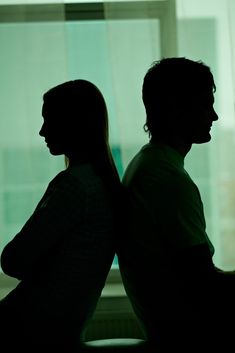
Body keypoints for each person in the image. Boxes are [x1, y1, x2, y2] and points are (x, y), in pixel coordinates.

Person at [117, 57, 235, 350]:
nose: (215, 116)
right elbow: (205, 286)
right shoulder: (167, 179)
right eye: (206, 105)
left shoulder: (148, 166)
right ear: (177, 109)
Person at [0, 79, 121, 351]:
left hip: (27, 332)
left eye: (49, 120)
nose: (42, 131)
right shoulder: (102, 185)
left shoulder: (75, 187)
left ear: (74, 123)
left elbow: (12, 261)